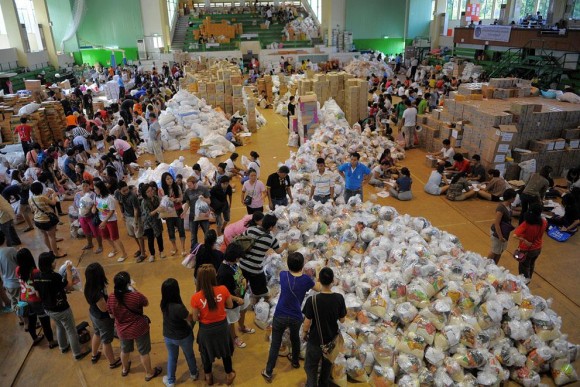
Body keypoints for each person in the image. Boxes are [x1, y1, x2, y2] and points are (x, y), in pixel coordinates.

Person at [262, 252, 321, 382]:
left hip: (280, 314)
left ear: (288, 264)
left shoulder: (284, 275)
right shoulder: (306, 280)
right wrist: (317, 272)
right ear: (302, 265)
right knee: (295, 338)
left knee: (275, 344)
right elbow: (319, 288)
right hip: (296, 316)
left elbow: (279, 271)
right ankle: (295, 361)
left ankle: (268, 371)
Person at [33, 252, 90, 360]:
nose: (55, 263)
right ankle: (77, 353)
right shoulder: (55, 276)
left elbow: (37, 294)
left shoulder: (36, 276)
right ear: (49, 264)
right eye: (53, 261)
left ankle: (63, 347)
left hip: (47, 309)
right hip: (61, 309)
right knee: (71, 330)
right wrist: (68, 270)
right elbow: (68, 286)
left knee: (59, 326)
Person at [108, 271, 161, 380]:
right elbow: (146, 302)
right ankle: (149, 373)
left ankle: (124, 369)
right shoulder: (135, 296)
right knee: (143, 352)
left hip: (122, 330)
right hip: (139, 328)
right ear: (128, 283)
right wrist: (134, 289)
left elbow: (111, 316)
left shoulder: (112, 297)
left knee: (124, 350)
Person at [190, 264, 236, 386]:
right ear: (214, 276)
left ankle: (209, 376)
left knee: (206, 354)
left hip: (206, 330)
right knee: (225, 352)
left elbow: (195, 318)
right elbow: (230, 306)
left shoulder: (196, 297)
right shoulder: (223, 289)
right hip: (222, 328)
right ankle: (229, 374)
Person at [302, 268, 346, 387]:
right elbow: (342, 319)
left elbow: (307, 322)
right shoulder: (339, 298)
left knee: (311, 367)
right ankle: (323, 384)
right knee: (327, 367)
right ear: (332, 281)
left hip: (315, 340)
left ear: (319, 280)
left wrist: (304, 333)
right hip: (331, 341)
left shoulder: (313, 300)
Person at [161, 278, 199, 386]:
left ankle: (171, 381)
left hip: (168, 336)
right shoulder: (178, 307)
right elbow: (190, 318)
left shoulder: (163, 304)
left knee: (172, 357)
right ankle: (194, 373)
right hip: (183, 336)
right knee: (189, 355)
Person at [84, 262, 121, 368]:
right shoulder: (97, 293)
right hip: (103, 319)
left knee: (97, 333)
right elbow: (104, 308)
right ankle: (112, 362)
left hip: (93, 314)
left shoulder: (89, 286)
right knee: (106, 341)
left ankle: (94, 354)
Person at [240, 214, 285, 300]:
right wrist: (284, 246)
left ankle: (243, 297)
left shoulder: (251, 229)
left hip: (242, 265)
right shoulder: (271, 239)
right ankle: (259, 304)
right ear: (271, 227)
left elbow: (242, 238)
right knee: (261, 292)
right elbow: (278, 251)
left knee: (243, 285)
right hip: (255, 270)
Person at [16, 248, 55, 347]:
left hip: (24, 298)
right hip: (36, 300)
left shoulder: (17, 270)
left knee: (31, 321)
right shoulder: (36, 272)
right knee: (45, 322)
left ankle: (35, 338)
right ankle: (51, 342)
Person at [217, 243, 249, 349]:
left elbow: (239, 274)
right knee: (231, 321)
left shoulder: (233, 264)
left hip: (241, 295)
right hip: (232, 300)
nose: (239, 259)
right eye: (238, 257)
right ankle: (234, 337)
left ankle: (242, 326)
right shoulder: (223, 272)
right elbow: (222, 292)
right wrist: (237, 299)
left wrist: (243, 279)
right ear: (234, 257)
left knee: (243, 310)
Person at [29, 182, 66, 258]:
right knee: (52, 237)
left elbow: (32, 209)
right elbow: (53, 203)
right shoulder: (43, 197)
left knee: (44, 235)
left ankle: (51, 250)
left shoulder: (30, 198)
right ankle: (56, 254)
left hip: (37, 220)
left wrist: (48, 195)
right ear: (41, 189)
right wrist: (53, 195)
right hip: (47, 220)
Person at [93, 181, 128, 262]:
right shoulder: (97, 196)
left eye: (96, 189)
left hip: (111, 220)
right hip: (101, 219)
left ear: (100, 188)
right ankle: (114, 249)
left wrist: (105, 221)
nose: (95, 190)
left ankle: (124, 254)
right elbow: (95, 204)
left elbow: (112, 211)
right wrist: (94, 208)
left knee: (115, 238)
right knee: (106, 236)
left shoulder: (109, 198)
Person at [513, 203, 548, 281]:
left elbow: (515, 235)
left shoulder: (526, 224)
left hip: (526, 249)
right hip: (537, 248)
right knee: (531, 265)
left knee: (524, 268)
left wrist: (525, 240)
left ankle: (524, 283)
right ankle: (529, 279)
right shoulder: (544, 222)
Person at [115, 181, 145, 262]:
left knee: (139, 235)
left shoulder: (133, 196)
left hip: (136, 216)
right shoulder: (117, 193)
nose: (126, 192)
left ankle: (143, 253)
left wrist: (135, 221)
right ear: (119, 190)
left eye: (127, 189)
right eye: (124, 191)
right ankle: (140, 248)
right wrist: (122, 213)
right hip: (127, 216)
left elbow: (136, 209)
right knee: (132, 234)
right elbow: (119, 202)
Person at [181, 176, 211, 250]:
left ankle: (208, 248)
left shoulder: (203, 189)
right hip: (193, 216)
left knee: (207, 233)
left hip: (204, 216)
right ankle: (194, 250)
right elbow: (188, 203)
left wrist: (203, 199)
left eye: (190, 185)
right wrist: (184, 212)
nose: (188, 187)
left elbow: (209, 201)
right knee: (193, 235)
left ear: (195, 183)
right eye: (188, 185)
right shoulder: (187, 191)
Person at [488, 189, 517, 264]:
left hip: (504, 232)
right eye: (514, 197)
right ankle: (486, 265)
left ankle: (494, 265)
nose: (515, 199)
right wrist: (500, 236)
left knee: (500, 250)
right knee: (494, 251)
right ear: (511, 198)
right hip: (497, 232)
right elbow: (497, 223)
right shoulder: (501, 207)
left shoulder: (509, 205)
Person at [74, 180, 103, 254]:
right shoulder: (77, 194)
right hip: (82, 217)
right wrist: (80, 211)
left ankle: (100, 246)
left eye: (86, 186)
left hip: (91, 216)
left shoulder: (93, 194)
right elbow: (75, 205)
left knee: (95, 231)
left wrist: (92, 208)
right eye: (83, 185)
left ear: (90, 186)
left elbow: (96, 204)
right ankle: (90, 244)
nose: (84, 187)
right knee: (86, 231)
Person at [161, 172, 186, 256]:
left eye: (171, 178)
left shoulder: (177, 186)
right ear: (164, 181)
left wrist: (175, 200)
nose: (170, 180)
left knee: (181, 229)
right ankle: (174, 247)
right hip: (169, 212)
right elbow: (161, 203)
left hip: (178, 210)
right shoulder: (162, 190)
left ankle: (183, 248)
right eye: (167, 179)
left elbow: (182, 198)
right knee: (171, 230)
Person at [140, 183, 165, 262]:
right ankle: (152, 254)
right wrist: (157, 209)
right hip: (148, 224)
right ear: (144, 193)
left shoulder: (156, 198)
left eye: (151, 190)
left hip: (157, 221)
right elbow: (148, 215)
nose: (151, 192)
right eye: (148, 191)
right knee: (150, 240)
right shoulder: (144, 202)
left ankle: (161, 251)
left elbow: (161, 208)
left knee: (159, 237)